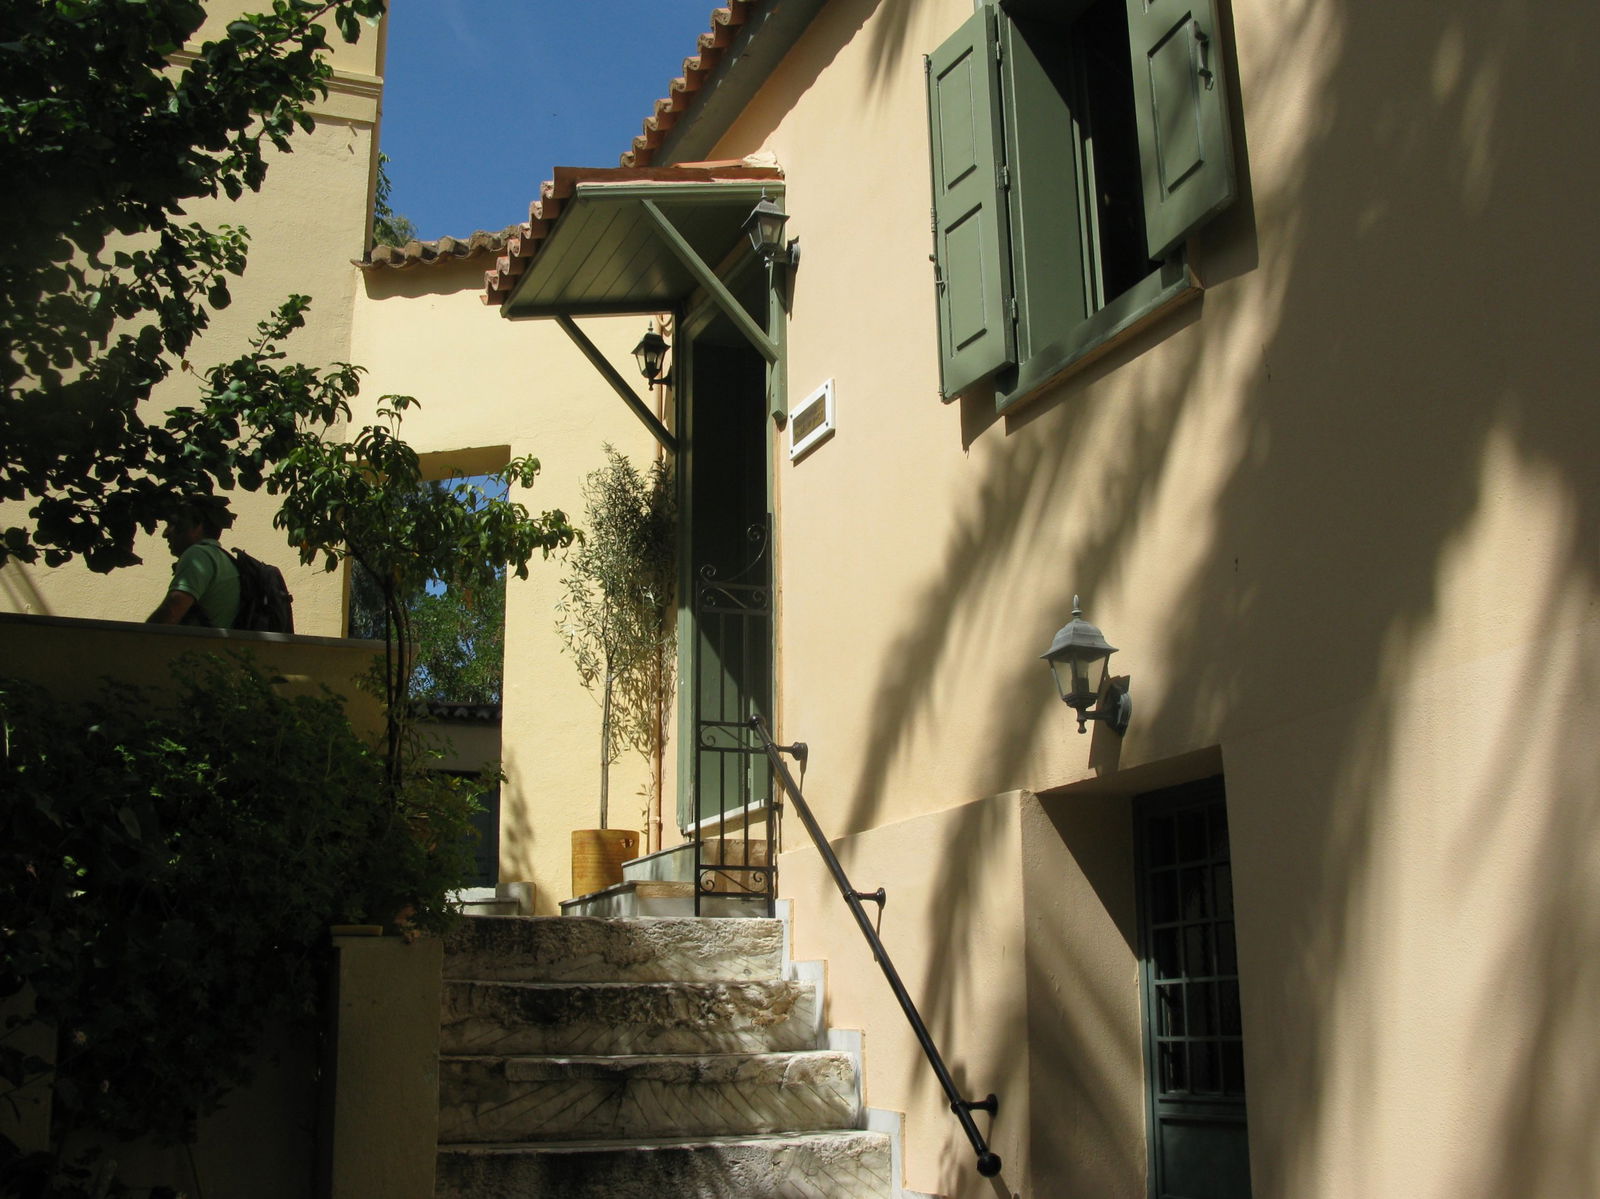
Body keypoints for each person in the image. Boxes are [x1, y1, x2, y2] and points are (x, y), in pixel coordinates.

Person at [146, 508, 240, 627]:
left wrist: (135, 642)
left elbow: (170, 614)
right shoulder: (221, 558)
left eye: (174, 523)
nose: (165, 533)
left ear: (198, 526)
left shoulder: (198, 555)